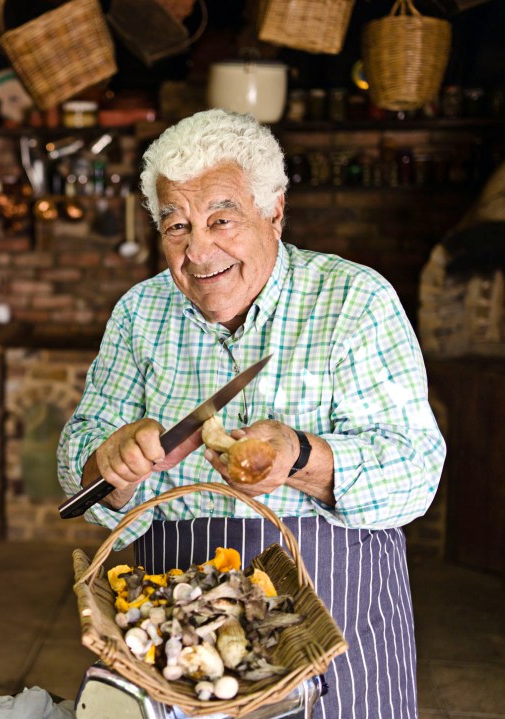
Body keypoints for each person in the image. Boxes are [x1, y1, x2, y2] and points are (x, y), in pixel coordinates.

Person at [57, 109, 445, 719]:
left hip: (332, 613)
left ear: (275, 212)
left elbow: (418, 470)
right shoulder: (138, 313)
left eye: (221, 219)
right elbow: (79, 466)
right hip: (178, 627)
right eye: (176, 225)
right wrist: (108, 463)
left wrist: (301, 458)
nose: (198, 248)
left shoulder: (355, 299)